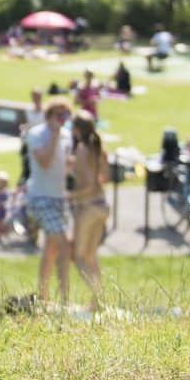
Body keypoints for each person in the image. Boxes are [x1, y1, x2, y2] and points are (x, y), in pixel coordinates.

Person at [25, 97, 72, 304]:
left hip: (58, 198)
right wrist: (54, 135)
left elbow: (66, 167)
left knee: (51, 248)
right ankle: (64, 299)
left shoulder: (67, 136)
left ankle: (42, 296)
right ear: (49, 116)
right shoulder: (36, 134)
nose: (63, 120)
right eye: (59, 115)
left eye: (66, 115)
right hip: (40, 198)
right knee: (64, 244)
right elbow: (44, 162)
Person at [68, 110, 109, 309]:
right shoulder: (99, 148)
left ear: (77, 130)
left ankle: (98, 299)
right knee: (91, 256)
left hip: (88, 208)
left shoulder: (82, 149)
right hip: (102, 205)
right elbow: (104, 178)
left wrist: (69, 195)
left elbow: (87, 185)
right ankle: (98, 301)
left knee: (79, 257)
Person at [19, 87, 46, 185]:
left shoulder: (46, 112)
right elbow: (26, 124)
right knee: (26, 165)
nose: (36, 98)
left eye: (38, 96)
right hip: (29, 141)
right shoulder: (28, 111)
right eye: (34, 96)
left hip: (41, 143)